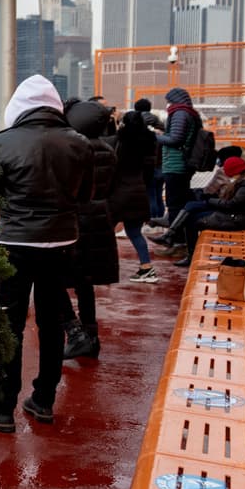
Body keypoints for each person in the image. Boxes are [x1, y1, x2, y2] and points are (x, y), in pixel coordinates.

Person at [0, 76, 91, 433]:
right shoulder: (79, 143)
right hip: (61, 245)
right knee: (51, 323)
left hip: (16, 245)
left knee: (9, 325)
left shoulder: (3, 143)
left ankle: (3, 407)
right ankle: (43, 400)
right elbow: (85, 196)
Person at [60, 99, 120, 359]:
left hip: (74, 220)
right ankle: (91, 336)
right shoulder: (109, 149)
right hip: (99, 220)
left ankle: (74, 331)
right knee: (86, 283)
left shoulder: (72, 150)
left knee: (52, 279)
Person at [175, 152, 245, 267]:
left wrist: (210, 201)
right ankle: (182, 245)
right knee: (193, 214)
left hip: (239, 219)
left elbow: (233, 204)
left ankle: (189, 255)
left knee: (193, 221)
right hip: (238, 215)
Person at [108, 110, 157, 283]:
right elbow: (151, 168)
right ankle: (146, 267)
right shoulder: (150, 140)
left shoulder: (119, 140)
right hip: (139, 190)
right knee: (135, 233)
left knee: (107, 231)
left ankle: (108, 267)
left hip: (119, 191)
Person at [156, 88, 200, 226]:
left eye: (168, 101)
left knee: (174, 202)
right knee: (179, 200)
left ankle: (177, 240)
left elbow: (176, 139)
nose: (167, 104)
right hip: (181, 163)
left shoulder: (180, 113)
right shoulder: (189, 113)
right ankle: (178, 236)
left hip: (176, 164)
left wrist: (155, 137)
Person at [134, 98, 165, 224]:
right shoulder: (160, 124)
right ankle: (161, 221)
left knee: (150, 195)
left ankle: (152, 221)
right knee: (158, 195)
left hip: (147, 165)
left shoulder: (137, 124)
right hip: (162, 165)